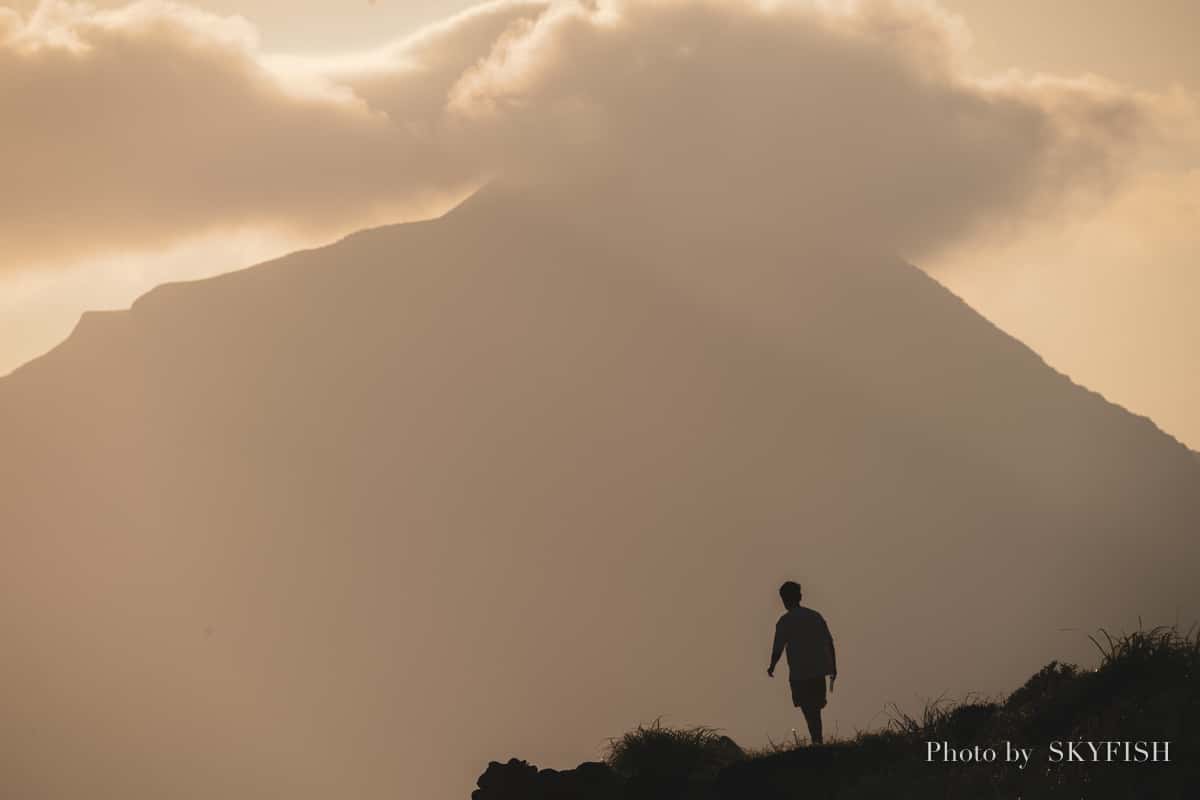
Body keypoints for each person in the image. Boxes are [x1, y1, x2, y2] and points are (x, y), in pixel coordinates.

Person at [767, 581, 837, 744]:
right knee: (815, 708)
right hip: (818, 670)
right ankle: (817, 740)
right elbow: (829, 642)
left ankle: (816, 741)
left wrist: (772, 666)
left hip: (800, 673)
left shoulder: (785, 621)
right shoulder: (815, 616)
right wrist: (833, 666)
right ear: (799, 596)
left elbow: (778, 647)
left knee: (808, 707)